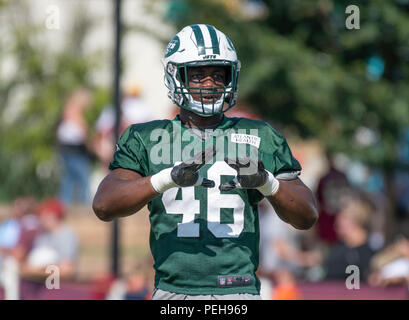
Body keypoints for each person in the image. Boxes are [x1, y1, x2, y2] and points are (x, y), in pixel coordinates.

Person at [93, 24, 318, 300]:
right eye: (197, 75)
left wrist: (267, 183)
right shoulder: (146, 137)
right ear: (176, 75)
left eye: (218, 74)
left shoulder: (260, 135)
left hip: (239, 292)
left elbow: (307, 216)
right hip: (174, 292)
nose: (210, 84)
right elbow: (104, 205)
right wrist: (167, 179)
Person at [323, 194, 377, 282]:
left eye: (342, 217)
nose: (336, 222)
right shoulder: (339, 249)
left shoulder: (369, 254)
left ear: (354, 220)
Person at [57, 88, 93, 205]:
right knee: (81, 177)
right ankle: (82, 202)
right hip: (73, 149)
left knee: (70, 178)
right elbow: (82, 126)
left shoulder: (71, 111)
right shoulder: (73, 110)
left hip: (71, 148)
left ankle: (65, 202)